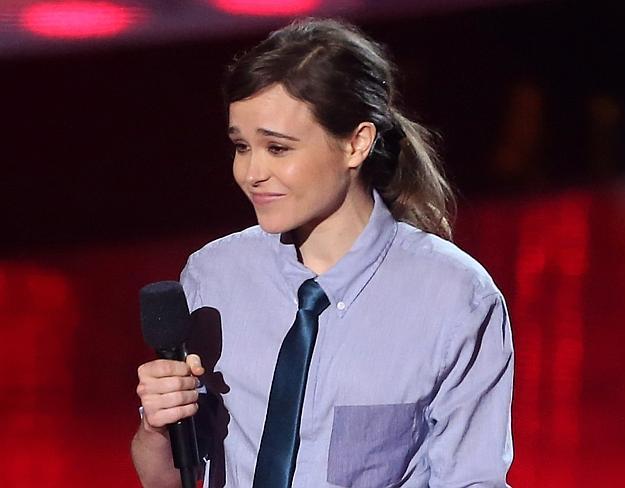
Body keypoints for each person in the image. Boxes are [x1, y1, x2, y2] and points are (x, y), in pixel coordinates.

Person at [131, 18, 514, 488]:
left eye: (277, 148)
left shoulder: (454, 297)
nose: (252, 172)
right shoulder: (213, 276)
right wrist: (156, 426)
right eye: (241, 147)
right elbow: (171, 478)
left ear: (357, 143)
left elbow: (471, 479)